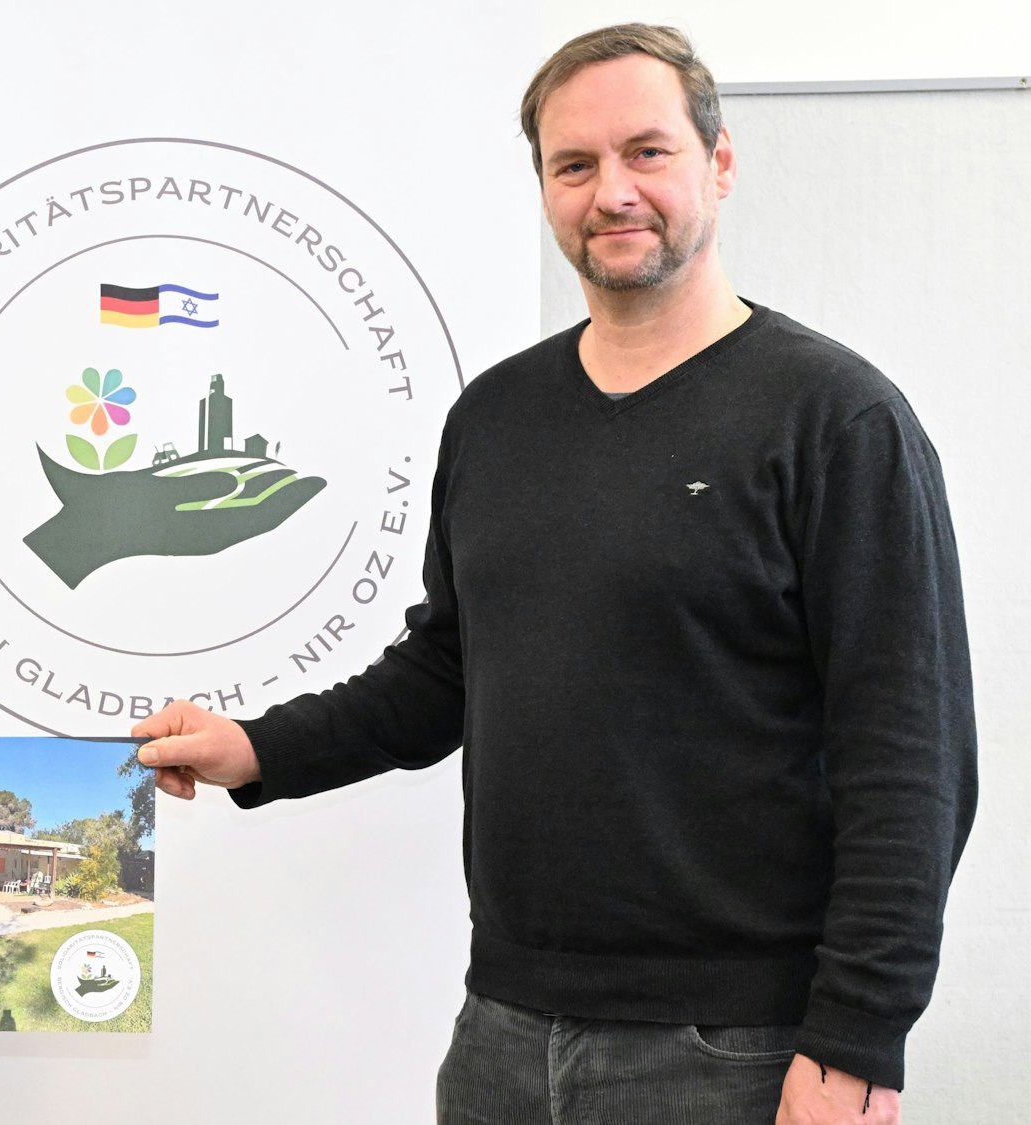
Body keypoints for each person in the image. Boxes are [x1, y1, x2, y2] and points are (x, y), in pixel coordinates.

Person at [135, 25, 974, 1125]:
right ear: (542, 185)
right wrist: (255, 749)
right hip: (502, 1032)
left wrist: (856, 1038)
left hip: (740, 1049)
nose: (610, 192)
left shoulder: (835, 421)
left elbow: (909, 758)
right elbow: (446, 670)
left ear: (718, 163)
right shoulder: (494, 418)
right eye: (572, 165)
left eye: (646, 153)